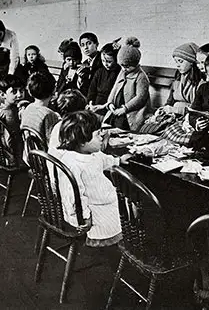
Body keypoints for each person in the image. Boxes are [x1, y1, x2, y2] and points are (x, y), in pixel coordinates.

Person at [48, 110, 132, 247]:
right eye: (98, 134)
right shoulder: (73, 164)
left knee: (130, 204)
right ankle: (127, 242)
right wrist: (85, 217)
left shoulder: (91, 153)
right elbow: (73, 196)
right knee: (130, 212)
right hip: (93, 208)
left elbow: (104, 160)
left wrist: (119, 160)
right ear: (82, 141)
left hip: (102, 198)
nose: (102, 137)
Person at [157, 42, 204, 144]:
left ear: (191, 62)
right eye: (176, 62)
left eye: (180, 61)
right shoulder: (178, 78)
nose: (177, 65)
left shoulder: (201, 83)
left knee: (175, 136)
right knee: (148, 128)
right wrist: (164, 109)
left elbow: (197, 109)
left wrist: (175, 109)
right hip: (173, 115)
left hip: (186, 117)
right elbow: (170, 100)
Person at [104, 37, 150, 131]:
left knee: (122, 129)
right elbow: (115, 88)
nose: (124, 69)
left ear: (135, 64)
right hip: (117, 111)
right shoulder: (122, 73)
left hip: (131, 113)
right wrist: (110, 103)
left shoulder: (141, 76)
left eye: (127, 67)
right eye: (122, 66)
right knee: (108, 127)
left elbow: (140, 97)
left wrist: (125, 108)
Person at [21, 71, 61, 157]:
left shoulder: (28, 107)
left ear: (30, 92)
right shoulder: (49, 115)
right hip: (43, 159)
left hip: (29, 155)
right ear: (54, 90)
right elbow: (53, 143)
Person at [0, 74, 25, 165]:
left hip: (1, 154)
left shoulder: (3, 108)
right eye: (14, 92)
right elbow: (16, 137)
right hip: (14, 156)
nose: (19, 95)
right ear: (2, 94)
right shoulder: (10, 114)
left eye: (21, 91)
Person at [86, 41, 121, 111]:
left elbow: (117, 97)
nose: (105, 64)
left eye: (109, 61)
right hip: (95, 105)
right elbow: (91, 91)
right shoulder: (99, 72)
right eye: (103, 61)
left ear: (116, 60)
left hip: (109, 107)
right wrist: (90, 103)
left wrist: (102, 106)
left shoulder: (119, 73)